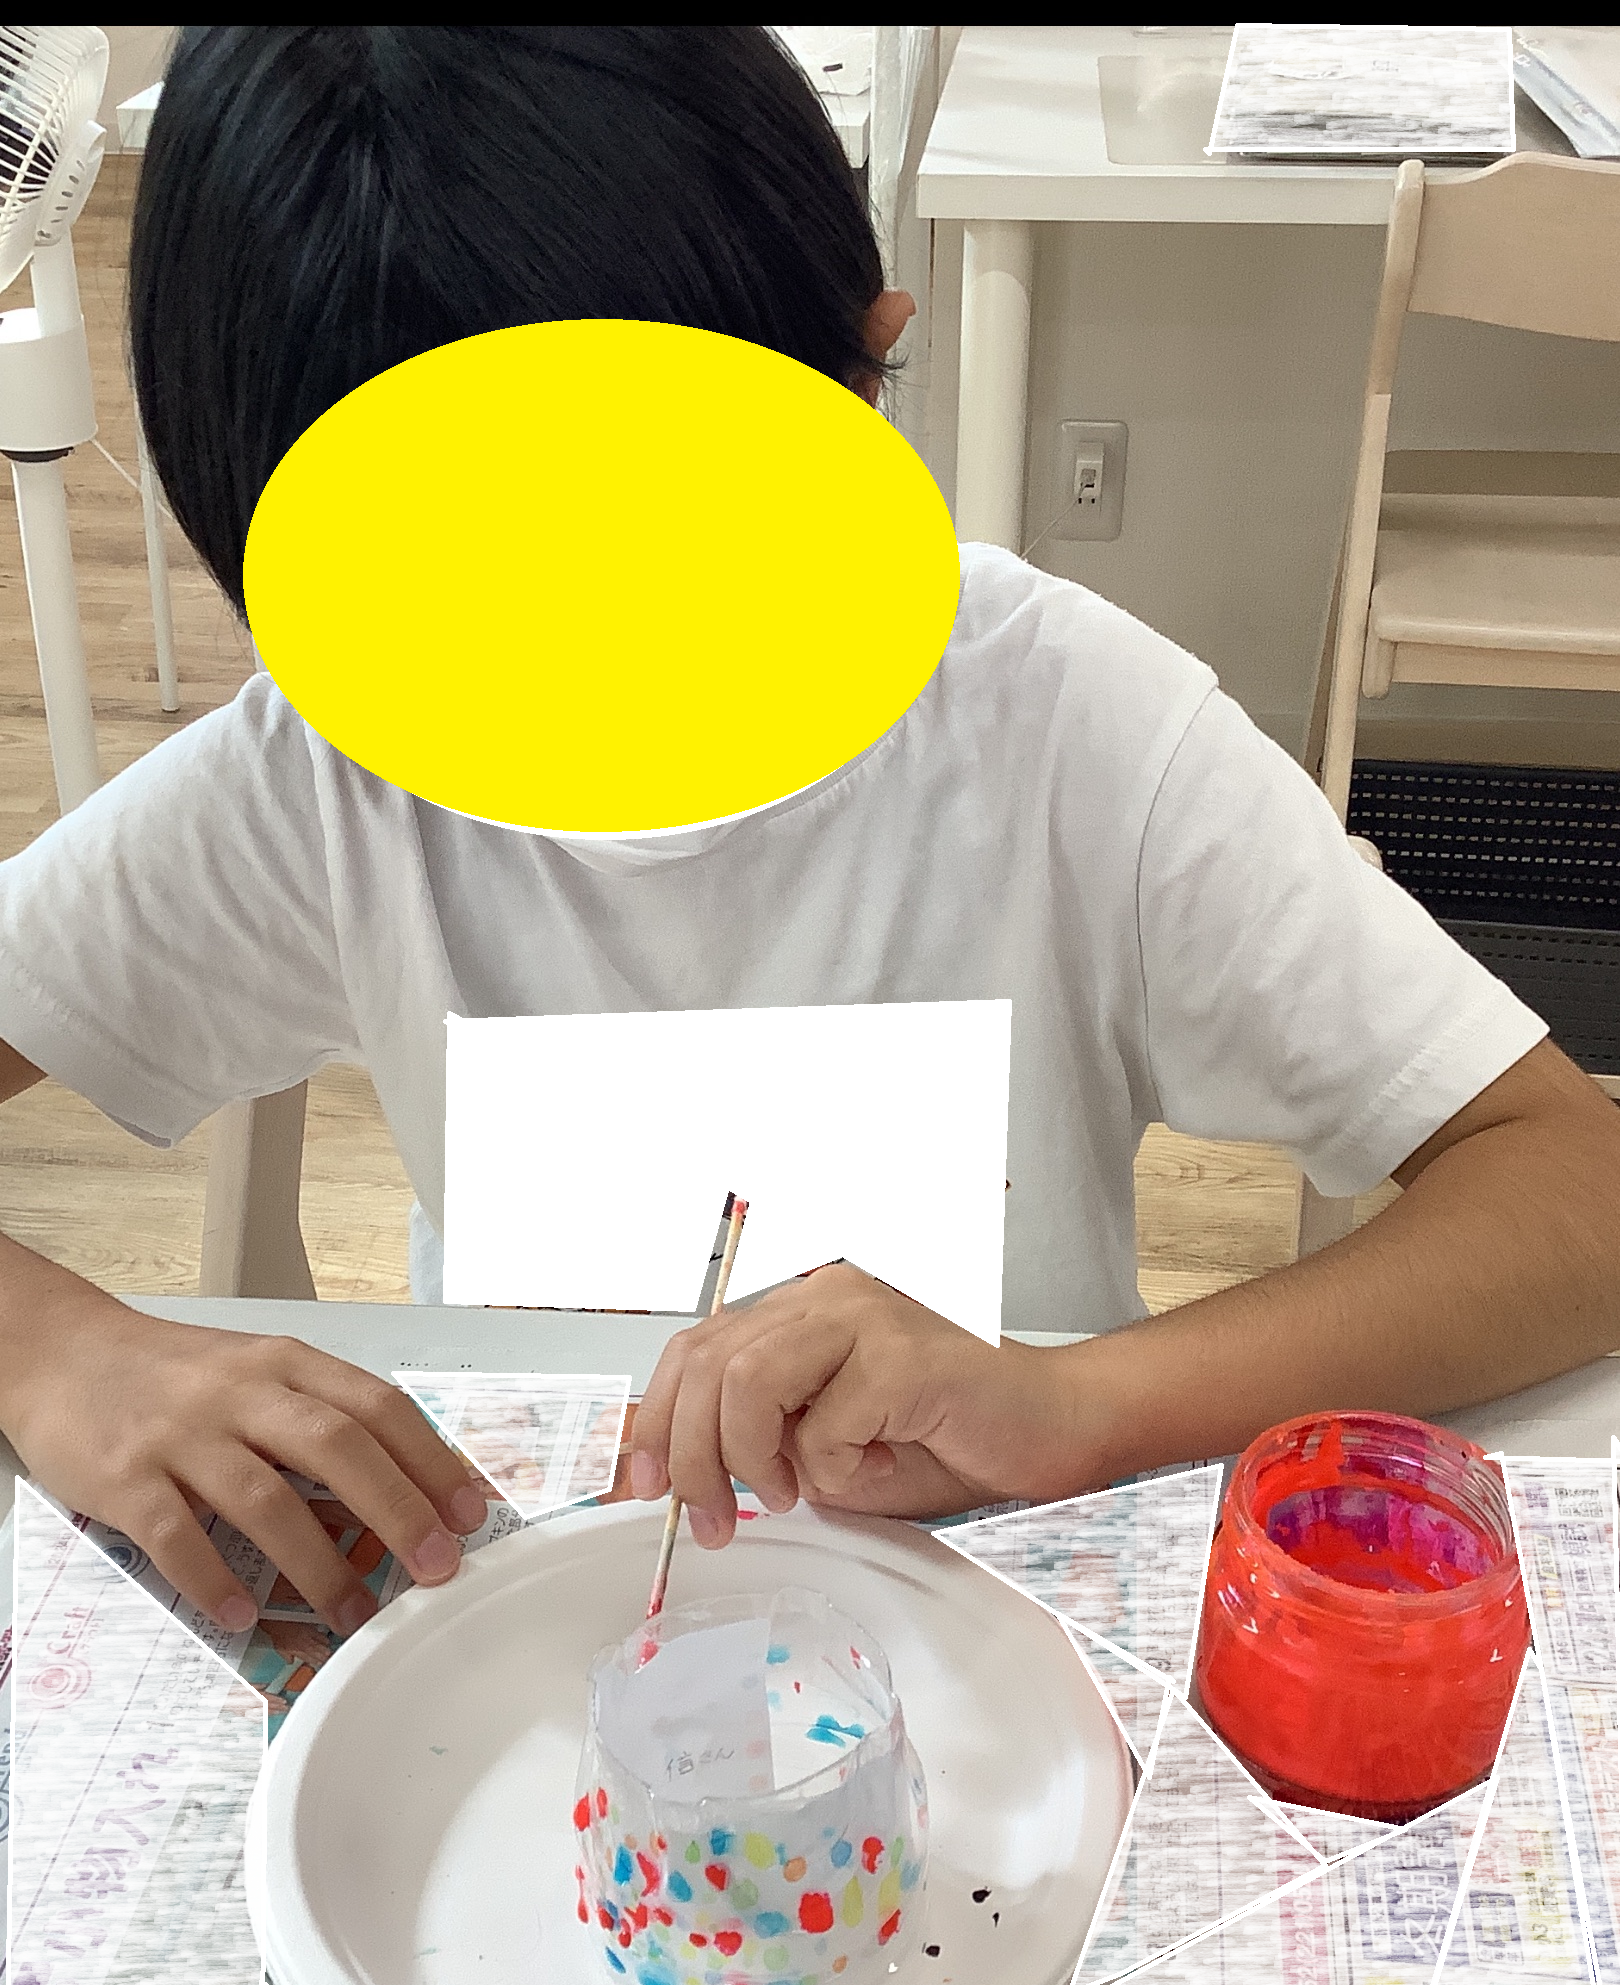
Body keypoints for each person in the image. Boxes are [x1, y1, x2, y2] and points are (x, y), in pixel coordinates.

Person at [0, 26, 1616, 1635]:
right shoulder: (318, 783)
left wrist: (1079, 1405)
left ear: (867, 370)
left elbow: (1575, 1190)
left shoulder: (1071, 728)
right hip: (554, 1610)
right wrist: (62, 1350)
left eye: (663, 565)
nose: (593, 681)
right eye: (462, 601)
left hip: (1010, 1602)